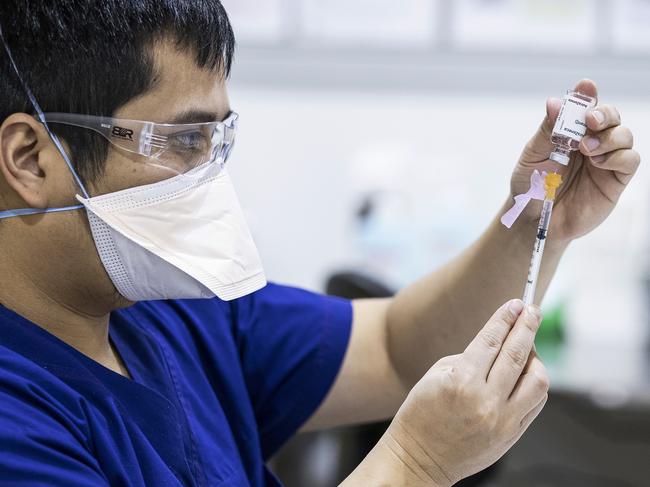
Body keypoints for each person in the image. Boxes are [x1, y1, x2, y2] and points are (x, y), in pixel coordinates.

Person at [0, 2, 640, 486]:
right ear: (30, 158)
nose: (209, 178)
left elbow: (395, 350)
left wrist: (535, 221)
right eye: (183, 141)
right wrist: (413, 464)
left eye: (219, 141)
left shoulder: (169, 304)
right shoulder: (18, 425)